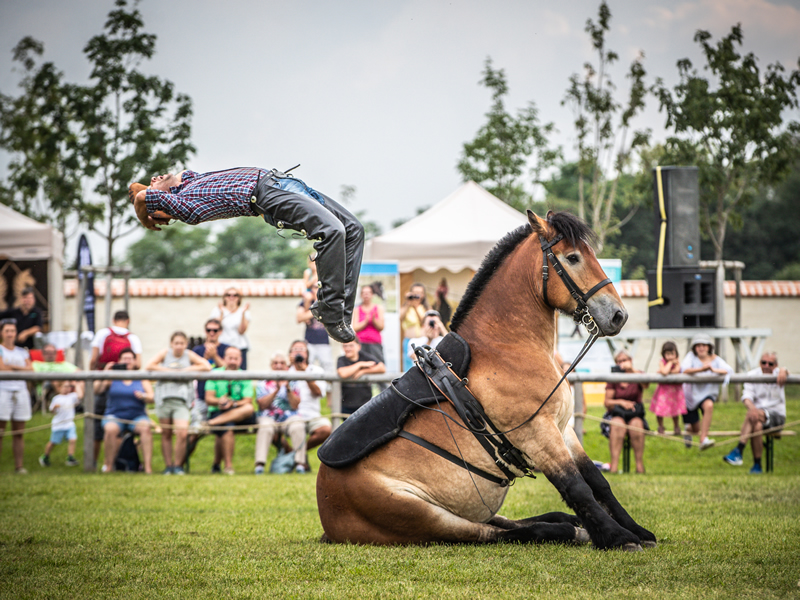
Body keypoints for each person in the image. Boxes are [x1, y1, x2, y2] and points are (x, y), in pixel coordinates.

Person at [130, 166, 364, 344]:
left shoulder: (190, 181)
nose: (154, 178)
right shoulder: (187, 206)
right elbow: (142, 198)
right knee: (332, 230)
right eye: (153, 186)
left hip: (284, 183)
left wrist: (143, 188)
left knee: (354, 229)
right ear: (164, 203)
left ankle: (343, 314)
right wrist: (146, 217)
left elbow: (141, 188)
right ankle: (329, 311)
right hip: (267, 196)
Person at [146, 331, 211, 475]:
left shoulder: (189, 355)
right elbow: (149, 366)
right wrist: (168, 371)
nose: (179, 346)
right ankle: (168, 466)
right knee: (166, 433)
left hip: (182, 400)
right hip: (164, 398)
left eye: (182, 343)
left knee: (182, 433)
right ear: (171, 343)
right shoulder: (165, 353)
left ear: (186, 344)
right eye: (176, 343)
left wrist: (185, 370)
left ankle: (178, 465)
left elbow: (206, 366)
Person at [89, 310, 143, 464]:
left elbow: (93, 360)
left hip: (104, 382)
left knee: (97, 426)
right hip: (126, 385)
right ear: (128, 320)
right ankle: (119, 461)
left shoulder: (102, 333)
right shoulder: (133, 338)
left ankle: (93, 462)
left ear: (113, 320)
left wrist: (97, 376)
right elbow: (138, 364)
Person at [724, 352, 789, 474]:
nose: (766, 366)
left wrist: (783, 370)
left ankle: (739, 450)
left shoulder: (779, 373)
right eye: (763, 362)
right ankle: (757, 465)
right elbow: (747, 397)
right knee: (757, 425)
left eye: (770, 363)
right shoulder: (752, 375)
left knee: (751, 414)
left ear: (775, 365)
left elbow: (787, 372)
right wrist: (753, 408)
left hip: (777, 416)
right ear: (760, 363)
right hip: (758, 417)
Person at [95, 347, 154, 474]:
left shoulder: (141, 377)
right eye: (124, 359)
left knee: (146, 429)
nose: (127, 361)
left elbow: (152, 397)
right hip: (115, 415)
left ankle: (148, 468)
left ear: (135, 361)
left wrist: (144, 396)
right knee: (110, 429)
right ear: (119, 361)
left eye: (130, 359)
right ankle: (109, 466)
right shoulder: (112, 376)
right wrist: (106, 372)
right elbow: (97, 390)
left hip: (137, 416)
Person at [204, 346, 256, 475]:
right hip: (218, 410)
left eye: (236, 358)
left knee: (248, 408)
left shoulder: (244, 375)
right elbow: (209, 398)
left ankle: (211, 423)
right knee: (227, 427)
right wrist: (219, 401)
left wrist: (233, 403)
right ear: (224, 358)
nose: (233, 361)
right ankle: (227, 466)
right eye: (230, 358)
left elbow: (248, 400)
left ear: (240, 360)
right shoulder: (215, 373)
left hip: (239, 412)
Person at [283, 340, 330, 473]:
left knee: (326, 429)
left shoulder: (316, 370)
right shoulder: (284, 371)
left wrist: (305, 373)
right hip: (289, 415)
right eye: (295, 349)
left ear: (308, 354)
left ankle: (294, 453)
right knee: (274, 431)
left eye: (301, 349)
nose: (298, 352)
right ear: (290, 354)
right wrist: (288, 367)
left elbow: (319, 392)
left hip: (312, 415)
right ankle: (299, 459)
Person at [681, 333, 733, 450]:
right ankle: (689, 430)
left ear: (709, 347)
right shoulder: (690, 357)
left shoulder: (716, 359)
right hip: (690, 397)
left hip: (706, 395)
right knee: (695, 429)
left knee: (709, 405)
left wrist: (714, 370)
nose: (701, 348)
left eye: (704, 345)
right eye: (698, 345)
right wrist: (702, 369)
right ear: (694, 347)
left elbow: (728, 370)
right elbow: (684, 369)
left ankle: (703, 440)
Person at [604, 350, 649, 474]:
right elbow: (607, 402)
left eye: (624, 360)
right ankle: (614, 466)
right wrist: (622, 402)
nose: (621, 363)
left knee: (636, 426)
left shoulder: (638, 374)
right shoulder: (614, 377)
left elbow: (646, 384)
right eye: (619, 361)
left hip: (635, 414)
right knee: (617, 425)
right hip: (617, 413)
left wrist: (632, 370)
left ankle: (639, 466)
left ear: (630, 360)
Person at [254, 353, 300, 474]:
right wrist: (277, 390)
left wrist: (288, 389)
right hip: (268, 417)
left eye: (282, 363)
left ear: (286, 366)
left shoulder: (293, 381)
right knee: (265, 427)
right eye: (275, 363)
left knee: (298, 425)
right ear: (271, 365)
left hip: (288, 416)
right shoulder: (263, 381)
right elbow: (262, 404)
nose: (279, 365)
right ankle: (260, 465)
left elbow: (295, 405)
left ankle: (300, 463)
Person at [0, 318, 33, 474]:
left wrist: (11, 367)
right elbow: (2, 368)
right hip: (3, 391)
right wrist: (20, 368)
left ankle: (19, 466)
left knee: (19, 432)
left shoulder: (22, 351)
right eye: (7, 331)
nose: (10, 334)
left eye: (12, 331)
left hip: (20, 392)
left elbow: (31, 370)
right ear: (2, 333)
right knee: (1, 431)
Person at [39, 380, 84, 467]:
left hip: (69, 424)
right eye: (65, 386)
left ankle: (70, 457)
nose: (67, 389)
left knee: (73, 439)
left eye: (69, 387)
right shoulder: (57, 398)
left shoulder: (72, 396)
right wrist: (54, 408)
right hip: (58, 425)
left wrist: (77, 384)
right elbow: (52, 411)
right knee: (53, 442)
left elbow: (81, 395)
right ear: (59, 388)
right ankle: (45, 456)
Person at [337, 339, 386, 415]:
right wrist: (360, 365)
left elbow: (382, 368)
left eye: (351, 346)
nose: (348, 349)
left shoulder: (365, 356)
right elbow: (343, 373)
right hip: (346, 405)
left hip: (365, 404)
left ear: (358, 347)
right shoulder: (341, 359)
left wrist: (363, 371)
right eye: (345, 346)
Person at [649, 341, 686, 435]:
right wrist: (669, 364)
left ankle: (676, 426)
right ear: (663, 354)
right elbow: (665, 371)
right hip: (663, 391)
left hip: (674, 391)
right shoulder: (662, 362)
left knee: (675, 410)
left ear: (676, 354)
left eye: (672, 354)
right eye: (667, 354)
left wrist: (665, 371)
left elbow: (676, 371)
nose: (670, 356)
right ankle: (661, 426)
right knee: (660, 410)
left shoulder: (677, 362)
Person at [297, 286, 333, 372]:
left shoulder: (328, 302)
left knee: (327, 367)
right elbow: (299, 318)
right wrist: (309, 303)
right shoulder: (305, 303)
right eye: (314, 287)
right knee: (307, 366)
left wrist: (311, 312)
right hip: (309, 341)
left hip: (324, 342)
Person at [32, 343, 79, 409]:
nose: (50, 354)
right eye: (47, 352)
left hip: (67, 383)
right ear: (42, 354)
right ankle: (63, 403)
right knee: (55, 380)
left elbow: (79, 372)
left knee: (77, 382)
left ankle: (77, 403)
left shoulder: (63, 364)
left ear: (56, 353)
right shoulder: (37, 364)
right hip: (47, 384)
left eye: (52, 352)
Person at [353, 284, 385, 365]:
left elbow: (381, 327)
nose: (366, 295)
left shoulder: (378, 308)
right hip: (361, 343)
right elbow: (355, 327)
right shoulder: (357, 309)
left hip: (375, 343)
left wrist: (374, 320)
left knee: (378, 364)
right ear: (361, 295)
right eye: (364, 293)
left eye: (368, 293)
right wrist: (365, 321)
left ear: (372, 294)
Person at [400, 283, 429, 370]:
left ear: (423, 295)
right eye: (414, 293)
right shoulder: (406, 307)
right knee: (408, 367)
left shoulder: (425, 308)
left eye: (419, 293)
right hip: (409, 341)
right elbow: (400, 318)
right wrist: (408, 303)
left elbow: (423, 322)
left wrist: (416, 307)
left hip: (423, 341)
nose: (417, 295)